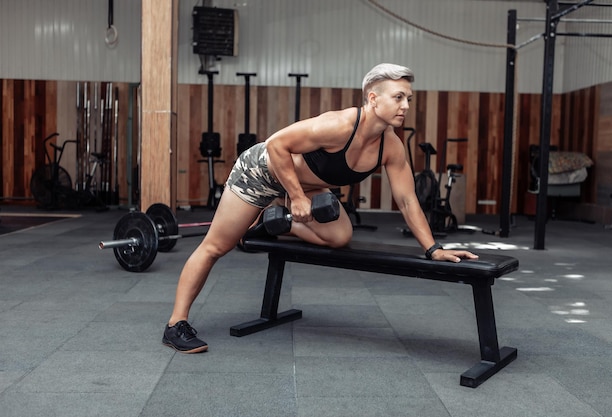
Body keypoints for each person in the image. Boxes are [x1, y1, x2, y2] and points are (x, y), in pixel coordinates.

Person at [162, 63, 478, 353]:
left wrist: (433, 248)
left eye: (409, 98)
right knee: (217, 246)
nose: (406, 106)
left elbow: (408, 199)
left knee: (340, 235)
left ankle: (276, 221)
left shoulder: (390, 147)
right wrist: (297, 197)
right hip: (262, 171)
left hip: (305, 187)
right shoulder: (338, 125)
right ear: (373, 99)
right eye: (398, 97)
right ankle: (176, 323)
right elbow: (276, 145)